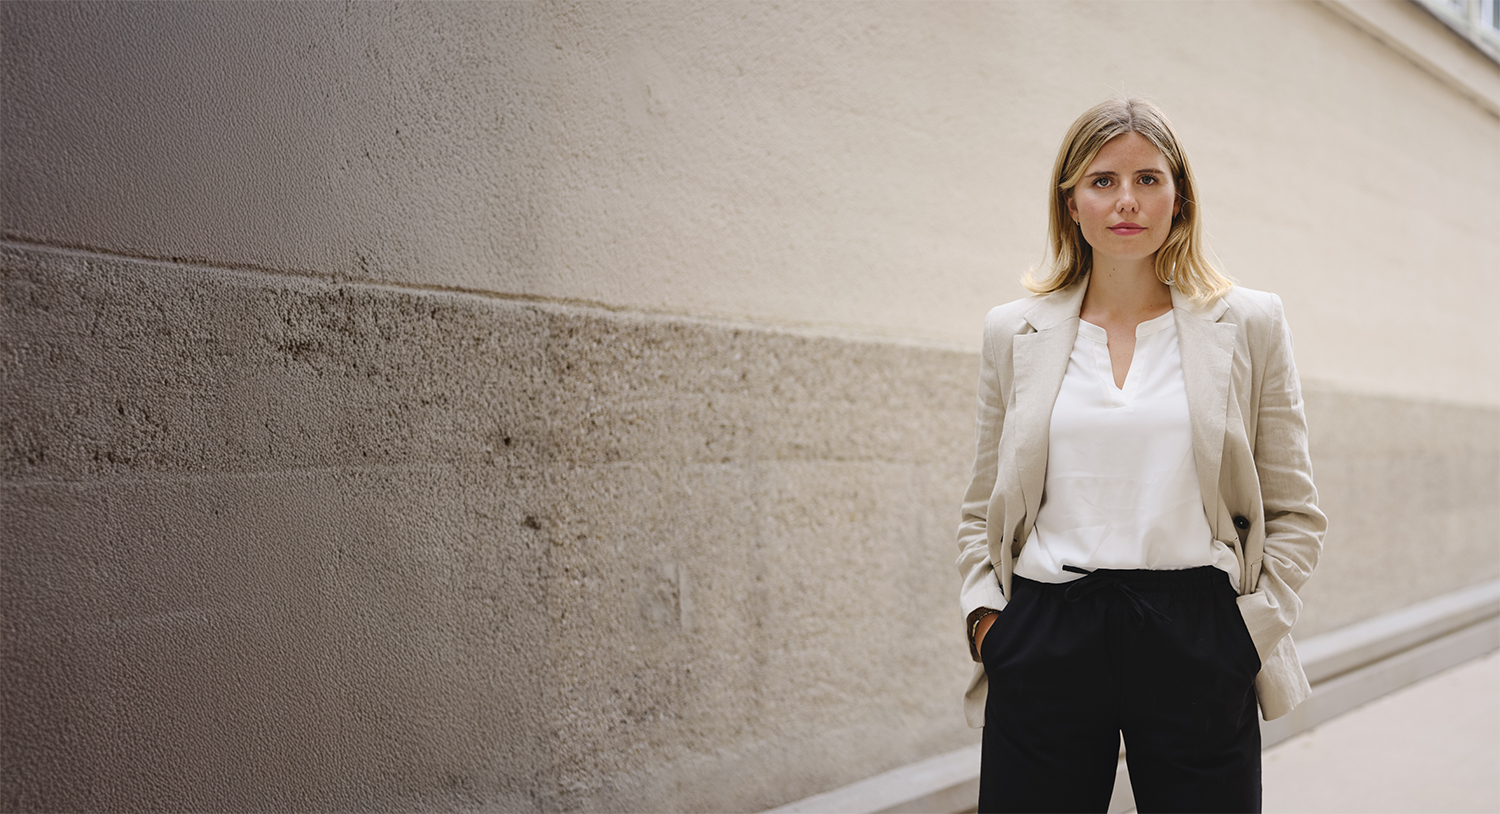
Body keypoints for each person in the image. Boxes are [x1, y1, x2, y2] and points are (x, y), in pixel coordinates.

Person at [956, 97, 1326, 814]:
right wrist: (988, 626)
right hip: (1046, 632)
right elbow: (982, 505)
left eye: (1148, 179)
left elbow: (1295, 510)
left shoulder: (1249, 322)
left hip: (1200, 633)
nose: (1126, 200)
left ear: (1179, 198)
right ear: (1071, 202)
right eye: (1103, 181)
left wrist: (1244, 635)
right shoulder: (1013, 331)